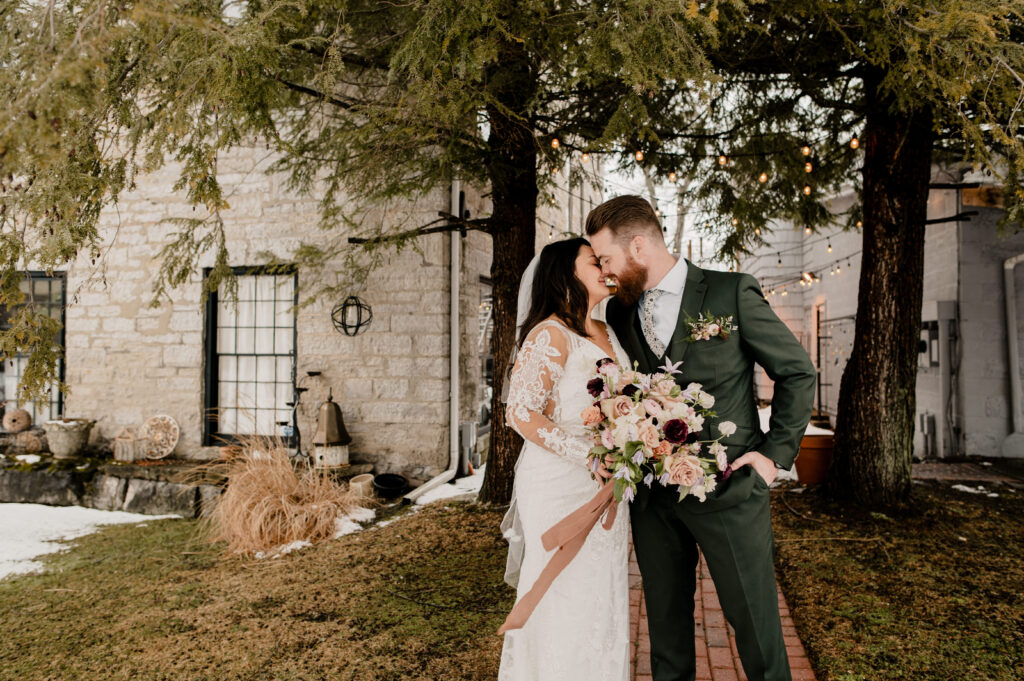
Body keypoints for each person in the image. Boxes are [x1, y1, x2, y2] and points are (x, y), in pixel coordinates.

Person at [587, 195, 816, 681]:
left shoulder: (730, 293)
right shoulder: (621, 314)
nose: (604, 271)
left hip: (731, 492)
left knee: (756, 634)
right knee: (665, 639)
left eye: (607, 258)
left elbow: (796, 373)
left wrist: (773, 458)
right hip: (653, 502)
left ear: (640, 246)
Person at [497, 237, 632, 681]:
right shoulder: (550, 333)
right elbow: (520, 412)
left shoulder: (606, 330)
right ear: (566, 273)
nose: (605, 267)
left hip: (609, 484)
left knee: (602, 594)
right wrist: (590, 454)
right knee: (565, 596)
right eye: (594, 261)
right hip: (561, 483)